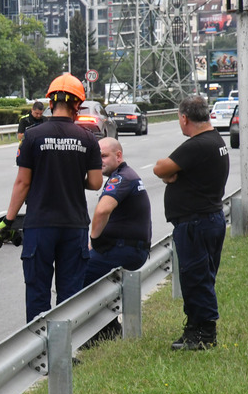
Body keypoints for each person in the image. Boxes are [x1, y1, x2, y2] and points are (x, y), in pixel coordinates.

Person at [0, 74, 103, 322]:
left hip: (39, 225)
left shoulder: (33, 136)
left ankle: (39, 354)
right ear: (77, 104)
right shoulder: (88, 138)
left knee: (37, 292)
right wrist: (73, 178)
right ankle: (66, 354)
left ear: (50, 102)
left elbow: (23, 182)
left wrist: (8, 221)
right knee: (70, 294)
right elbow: (96, 182)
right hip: (73, 225)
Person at [153, 95, 230, 351]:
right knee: (200, 276)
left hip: (196, 223)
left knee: (196, 278)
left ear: (184, 118)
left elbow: (159, 168)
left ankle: (205, 334)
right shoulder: (216, 140)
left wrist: (170, 175)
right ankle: (194, 328)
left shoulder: (197, 145)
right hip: (208, 218)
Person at [84, 137, 152, 340]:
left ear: (118, 155)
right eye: (97, 157)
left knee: (75, 274)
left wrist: (94, 242)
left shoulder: (122, 178)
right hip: (129, 247)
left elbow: (102, 211)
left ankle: (99, 333)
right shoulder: (125, 176)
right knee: (91, 273)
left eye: (104, 156)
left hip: (125, 249)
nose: (99, 161)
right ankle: (108, 328)